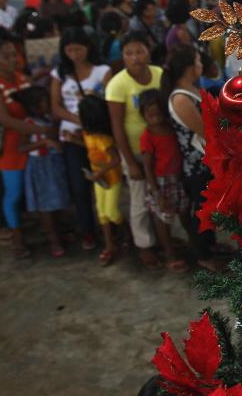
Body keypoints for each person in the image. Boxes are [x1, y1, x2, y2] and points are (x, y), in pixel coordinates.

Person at [0, 40, 43, 259]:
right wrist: (45, 131)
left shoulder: (20, 78)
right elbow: (5, 120)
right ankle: (16, 236)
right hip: (9, 146)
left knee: (34, 184)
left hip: (31, 139)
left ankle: (44, 224)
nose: (13, 60)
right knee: (13, 192)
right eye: (6, 56)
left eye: (14, 55)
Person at [50, 28, 112, 251]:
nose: (74, 54)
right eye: (69, 50)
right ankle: (87, 231)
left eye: (78, 48)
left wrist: (88, 124)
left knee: (107, 185)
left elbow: (107, 103)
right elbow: (56, 107)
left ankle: (111, 230)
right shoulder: (60, 73)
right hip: (72, 136)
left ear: (88, 47)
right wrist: (79, 120)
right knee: (79, 187)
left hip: (98, 136)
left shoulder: (102, 71)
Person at [105, 31, 163, 269]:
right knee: (139, 198)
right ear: (123, 56)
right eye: (129, 53)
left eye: (139, 51)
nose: (135, 57)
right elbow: (117, 126)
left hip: (160, 146)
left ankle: (163, 236)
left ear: (148, 50)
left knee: (160, 192)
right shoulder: (117, 84)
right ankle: (144, 245)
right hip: (135, 150)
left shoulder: (159, 74)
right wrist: (129, 161)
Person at [161, 45, 219, 272]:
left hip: (205, 160)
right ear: (187, 67)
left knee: (209, 209)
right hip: (198, 164)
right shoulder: (180, 98)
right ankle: (204, 255)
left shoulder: (191, 89)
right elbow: (205, 131)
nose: (200, 64)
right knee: (203, 211)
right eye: (197, 61)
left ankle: (210, 247)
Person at [14, 86, 72, 258]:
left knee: (58, 200)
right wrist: (43, 143)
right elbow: (21, 147)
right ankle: (53, 238)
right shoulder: (28, 124)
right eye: (45, 103)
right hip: (41, 167)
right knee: (45, 205)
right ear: (35, 107)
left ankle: (60, 231)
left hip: (54, 164)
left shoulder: (49, 119)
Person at [138, 90, 190, 273]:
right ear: (143, 115)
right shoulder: (147, 136)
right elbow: (147, 167)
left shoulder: (171, 127)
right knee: (164, 220)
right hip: (161, 184)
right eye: (150, 115)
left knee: (185, 213)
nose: (156, 118)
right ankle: (169, 255)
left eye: (159, 113)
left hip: (178, 179)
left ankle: (194, 245)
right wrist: (156, 193)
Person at [78, 95, 124, 267]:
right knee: (102, 213)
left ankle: (125, 232)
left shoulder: (105, 139)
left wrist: (99, 173)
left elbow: (115, 160)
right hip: (99, 179)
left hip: (111, 179)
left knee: (111, 212)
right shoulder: (87, 134)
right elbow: (89, 147)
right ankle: (109, 244)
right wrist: (72, 139)